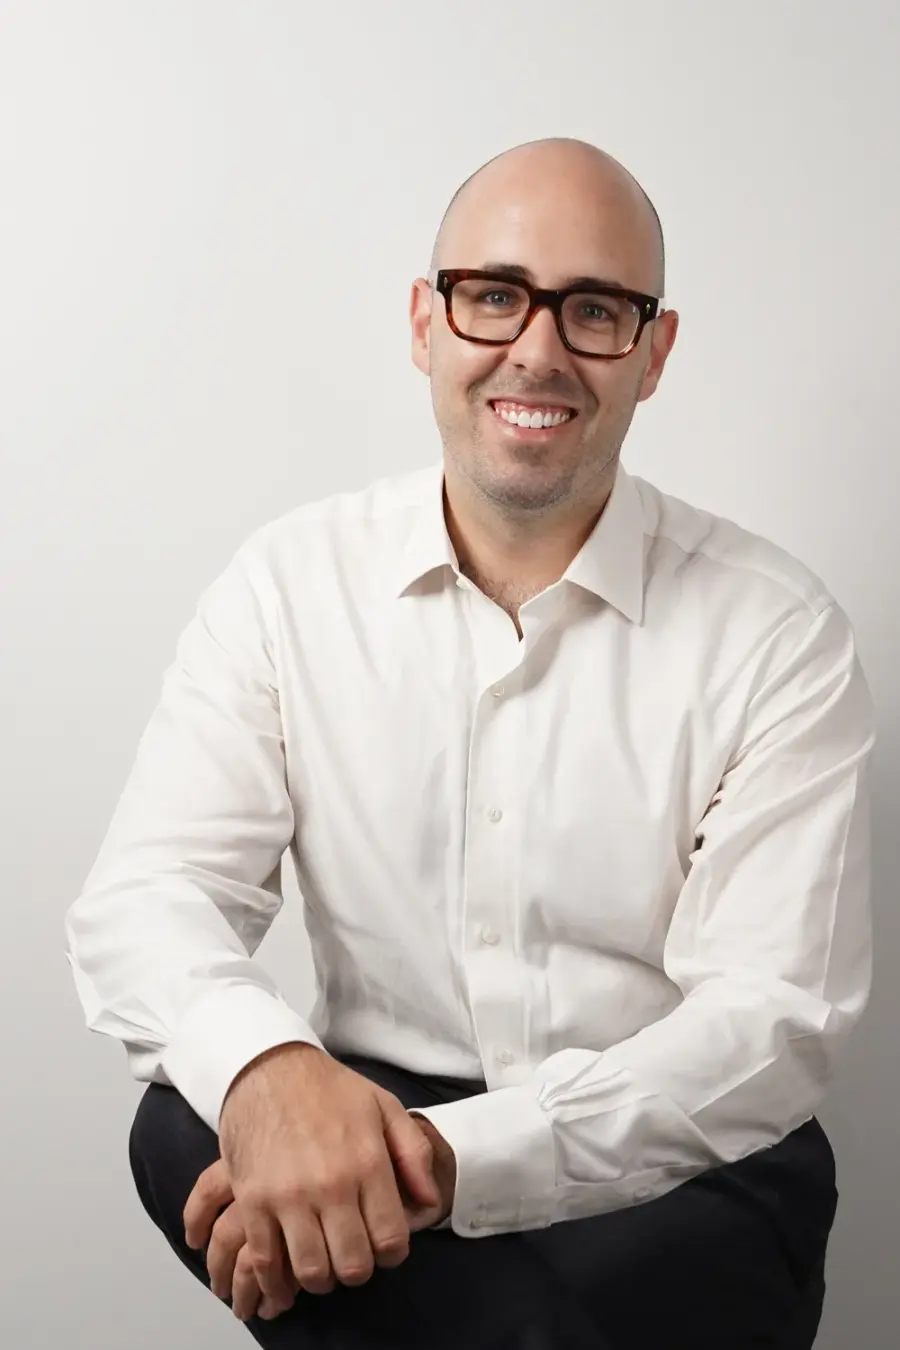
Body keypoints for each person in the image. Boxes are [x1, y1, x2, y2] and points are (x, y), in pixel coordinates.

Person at [65, 137, 876, 1350]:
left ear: (653, 353)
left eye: (593, 309)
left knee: (584, 1276)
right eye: (494, 295)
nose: (537, 350)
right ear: (424, 323)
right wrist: (273, 1075)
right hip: (366, 1113)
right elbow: (148, 897)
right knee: (184, 1119)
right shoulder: (288, 586)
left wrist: (440, 1162)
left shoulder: (776, 629)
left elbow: (770, 1024)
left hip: (671, 1158)